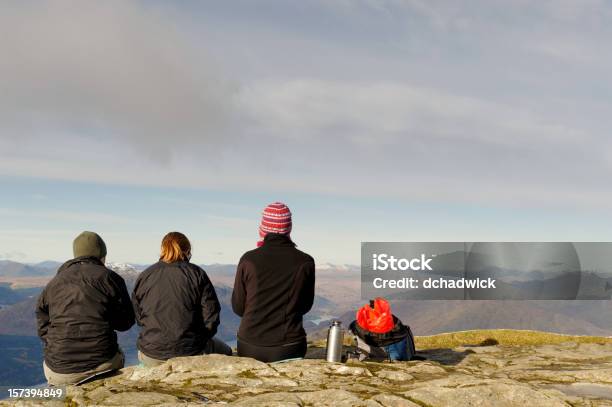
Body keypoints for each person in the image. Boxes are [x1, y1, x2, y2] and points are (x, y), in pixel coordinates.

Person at [36, 231, 135, 385]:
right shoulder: (111, 279)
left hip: (58, 371)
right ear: (102, 254)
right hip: (103, 364)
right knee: (119, 354)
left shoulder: (54, 282)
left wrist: (54, 340)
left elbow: (42, 318)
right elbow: (126, 323)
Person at [132, 232, 231, 367]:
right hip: (190, 351)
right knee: (227, 351)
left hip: (151, 354)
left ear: (162, 249)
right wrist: (198, 340)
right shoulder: (197, 274)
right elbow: (211, 315)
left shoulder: (145, 276)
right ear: (188, 251)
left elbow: (139, 316)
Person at [232, 202, 315, 363]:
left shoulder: (249, 260)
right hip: (289, 347)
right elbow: (305, 306)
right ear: (288, 229)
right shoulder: (305, 262)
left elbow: (238, 307)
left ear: (263, 228)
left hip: (249, 346)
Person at [349, 298, 419, 362]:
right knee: (397, 355)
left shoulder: (361, 324)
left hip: (377, 348)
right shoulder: (395, 324)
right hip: (395, 346)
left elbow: (354, 327)